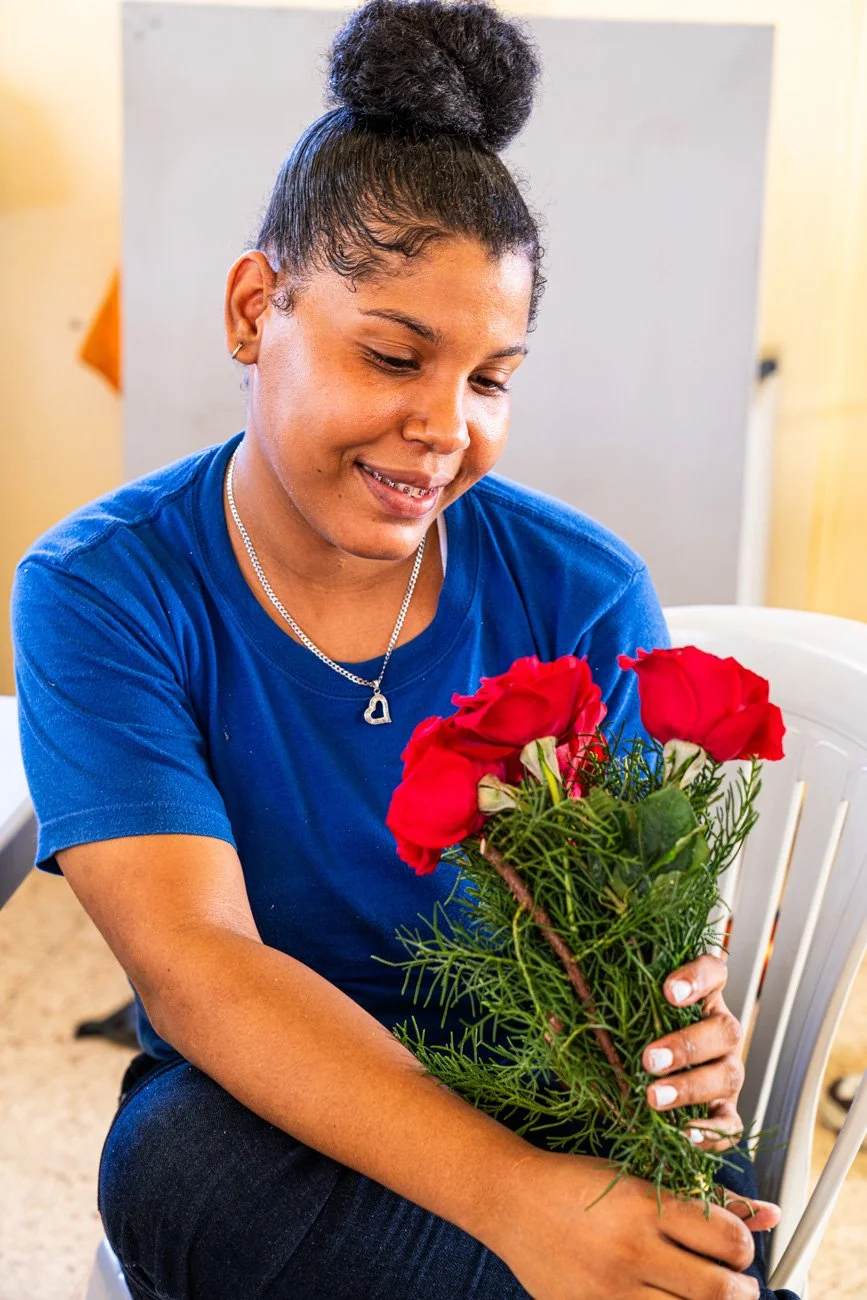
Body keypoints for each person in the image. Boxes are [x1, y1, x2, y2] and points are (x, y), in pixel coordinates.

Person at [12, 3, 800, 1297]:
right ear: (256, 306)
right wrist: (514, 1208)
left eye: (491, 378)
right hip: (263, 1102)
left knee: (689, 1210)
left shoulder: (582, 585)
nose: (444, 427)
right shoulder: (104, 590)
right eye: (393, 355)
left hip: (538, 1078)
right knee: (175, 1174)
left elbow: (636, 934)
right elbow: (200, 969)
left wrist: (693, 1023)